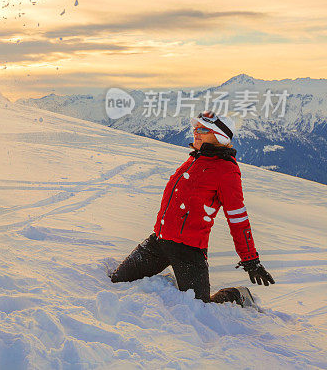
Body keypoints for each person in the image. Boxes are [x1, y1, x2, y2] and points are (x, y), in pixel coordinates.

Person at [110, 111, 275, 305]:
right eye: (195, 128)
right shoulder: (195, 159)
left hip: (188, 250)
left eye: (204, 129)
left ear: (220, 136)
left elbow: (238, 218)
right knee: (117, 280)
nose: (196, 132)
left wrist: (250, 259)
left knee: (200, 306)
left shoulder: (226, 171)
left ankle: (237, 295)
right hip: (159, 241)